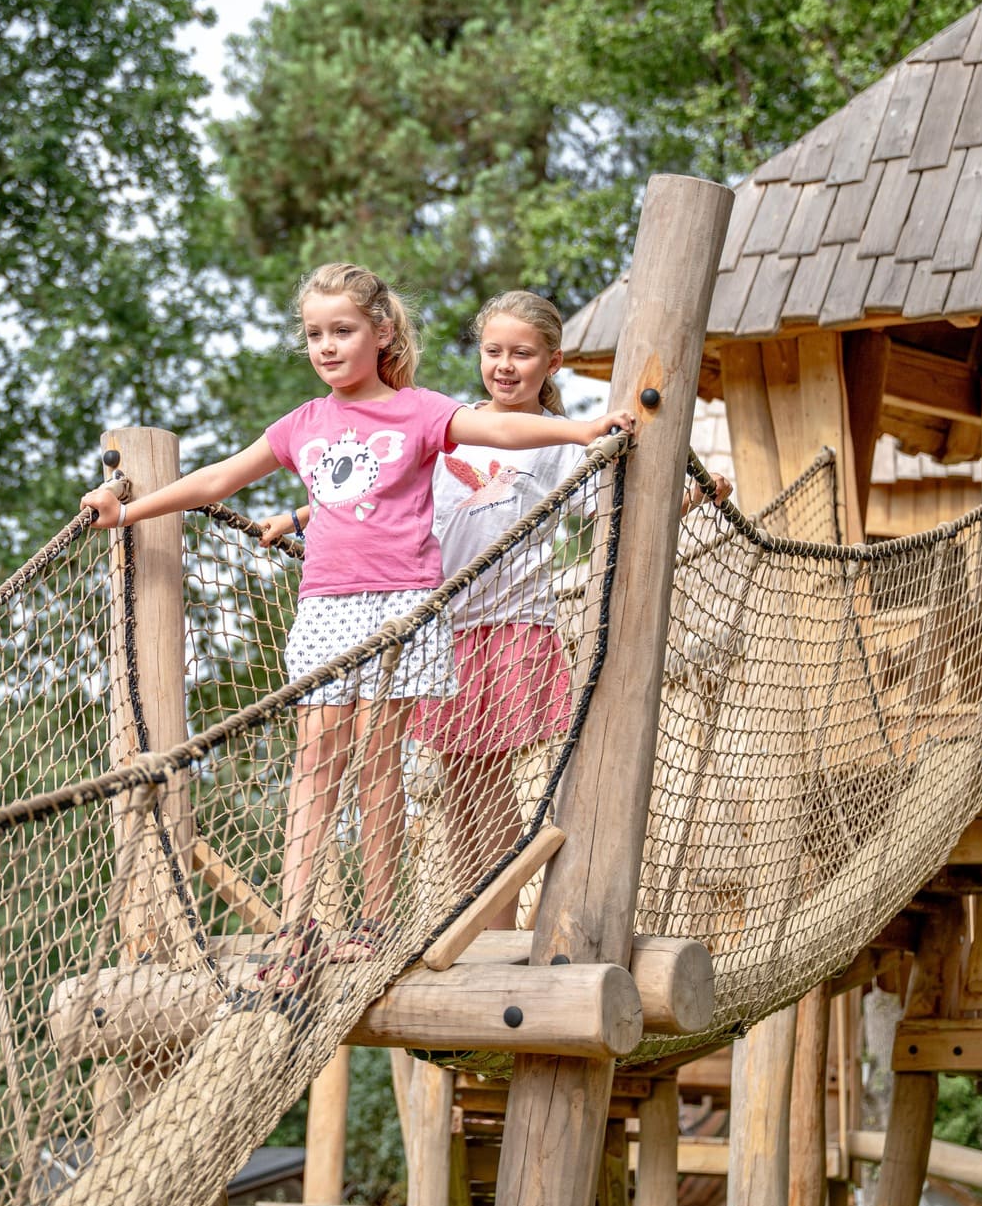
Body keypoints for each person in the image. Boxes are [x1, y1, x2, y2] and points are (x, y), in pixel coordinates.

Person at [81, 265, 633, 981]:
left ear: (382, 334)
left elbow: (496, 426)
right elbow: (220, 477)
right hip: (326, 607)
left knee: (378, 766)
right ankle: (298, 927)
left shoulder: (421, 412)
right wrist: (128, 510)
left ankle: (374, 923)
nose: (327, 346)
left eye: (342, 331)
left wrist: (585, 428)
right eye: (315, 334)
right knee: (315, 761)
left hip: (404, 606)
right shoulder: (303, 424)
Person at [265, 289, 729, 930]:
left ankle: (498, 922)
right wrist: (298, 517)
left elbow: (615, 517)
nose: (505, 366)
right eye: (493, 351)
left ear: (552, 362)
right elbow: (381, 484)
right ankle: (470, 917)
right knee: (457, 780)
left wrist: (691, 501)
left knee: (491, 779)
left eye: (522, 354)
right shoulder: (453, 425)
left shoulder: (561, 447)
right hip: (436, 622)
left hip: (512, 623)